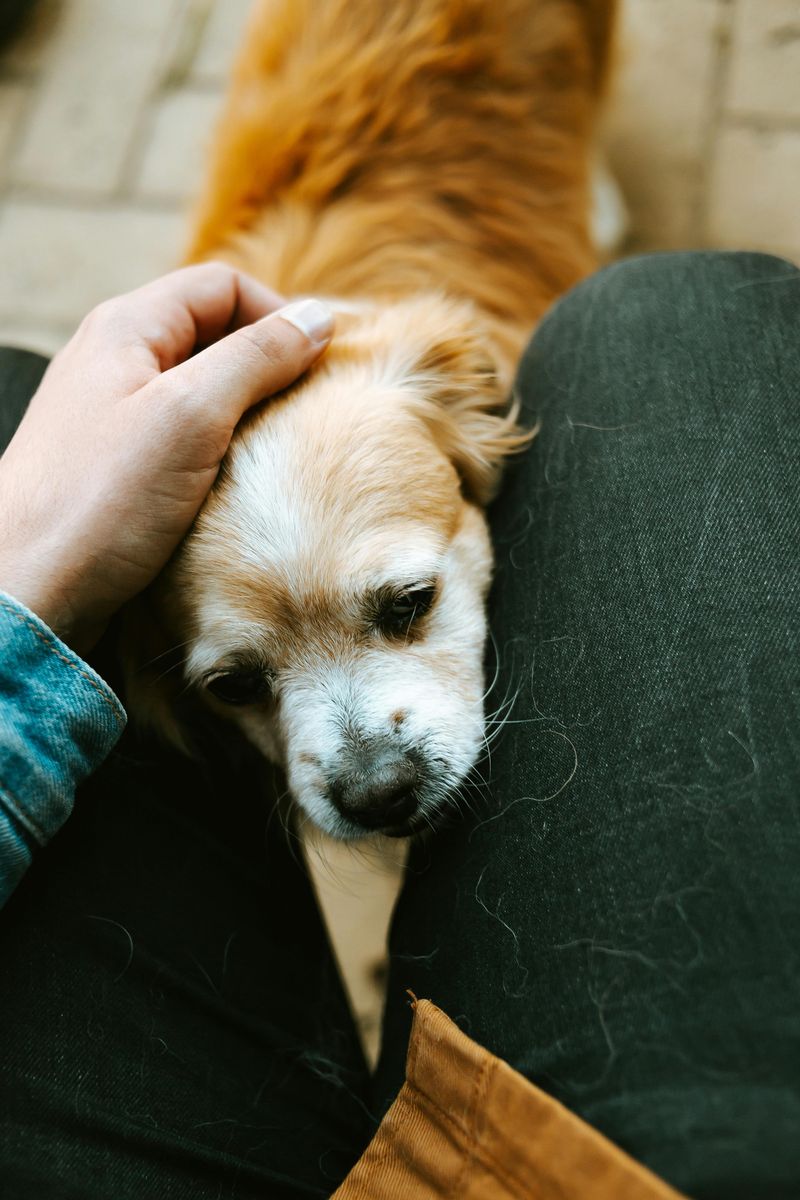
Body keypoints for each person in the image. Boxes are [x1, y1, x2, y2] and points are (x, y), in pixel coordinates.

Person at [0, 251, 797, 1199]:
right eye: (242, 683)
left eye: (404, 603)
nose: (364, 772)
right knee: (676, 307)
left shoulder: (435, 385)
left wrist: (19, 576)